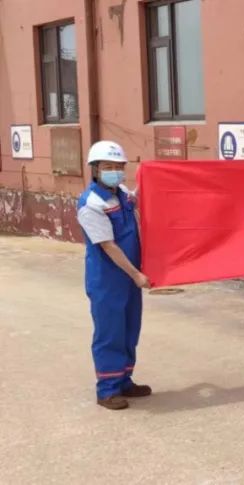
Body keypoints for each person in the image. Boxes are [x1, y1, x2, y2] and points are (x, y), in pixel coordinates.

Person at [76, 141, 152, 410]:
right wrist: (136, 274)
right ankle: (107, 390)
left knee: (130, 328)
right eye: (108, 167)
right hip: (108, 278)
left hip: (129, 275)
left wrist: (152, 177)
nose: (115, 171)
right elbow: (109, 246)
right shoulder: (91, 204)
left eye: (119, 167)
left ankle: (124, 381)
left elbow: (137, 199)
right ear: (95, 169)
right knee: (110, 332)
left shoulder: (121, 193)